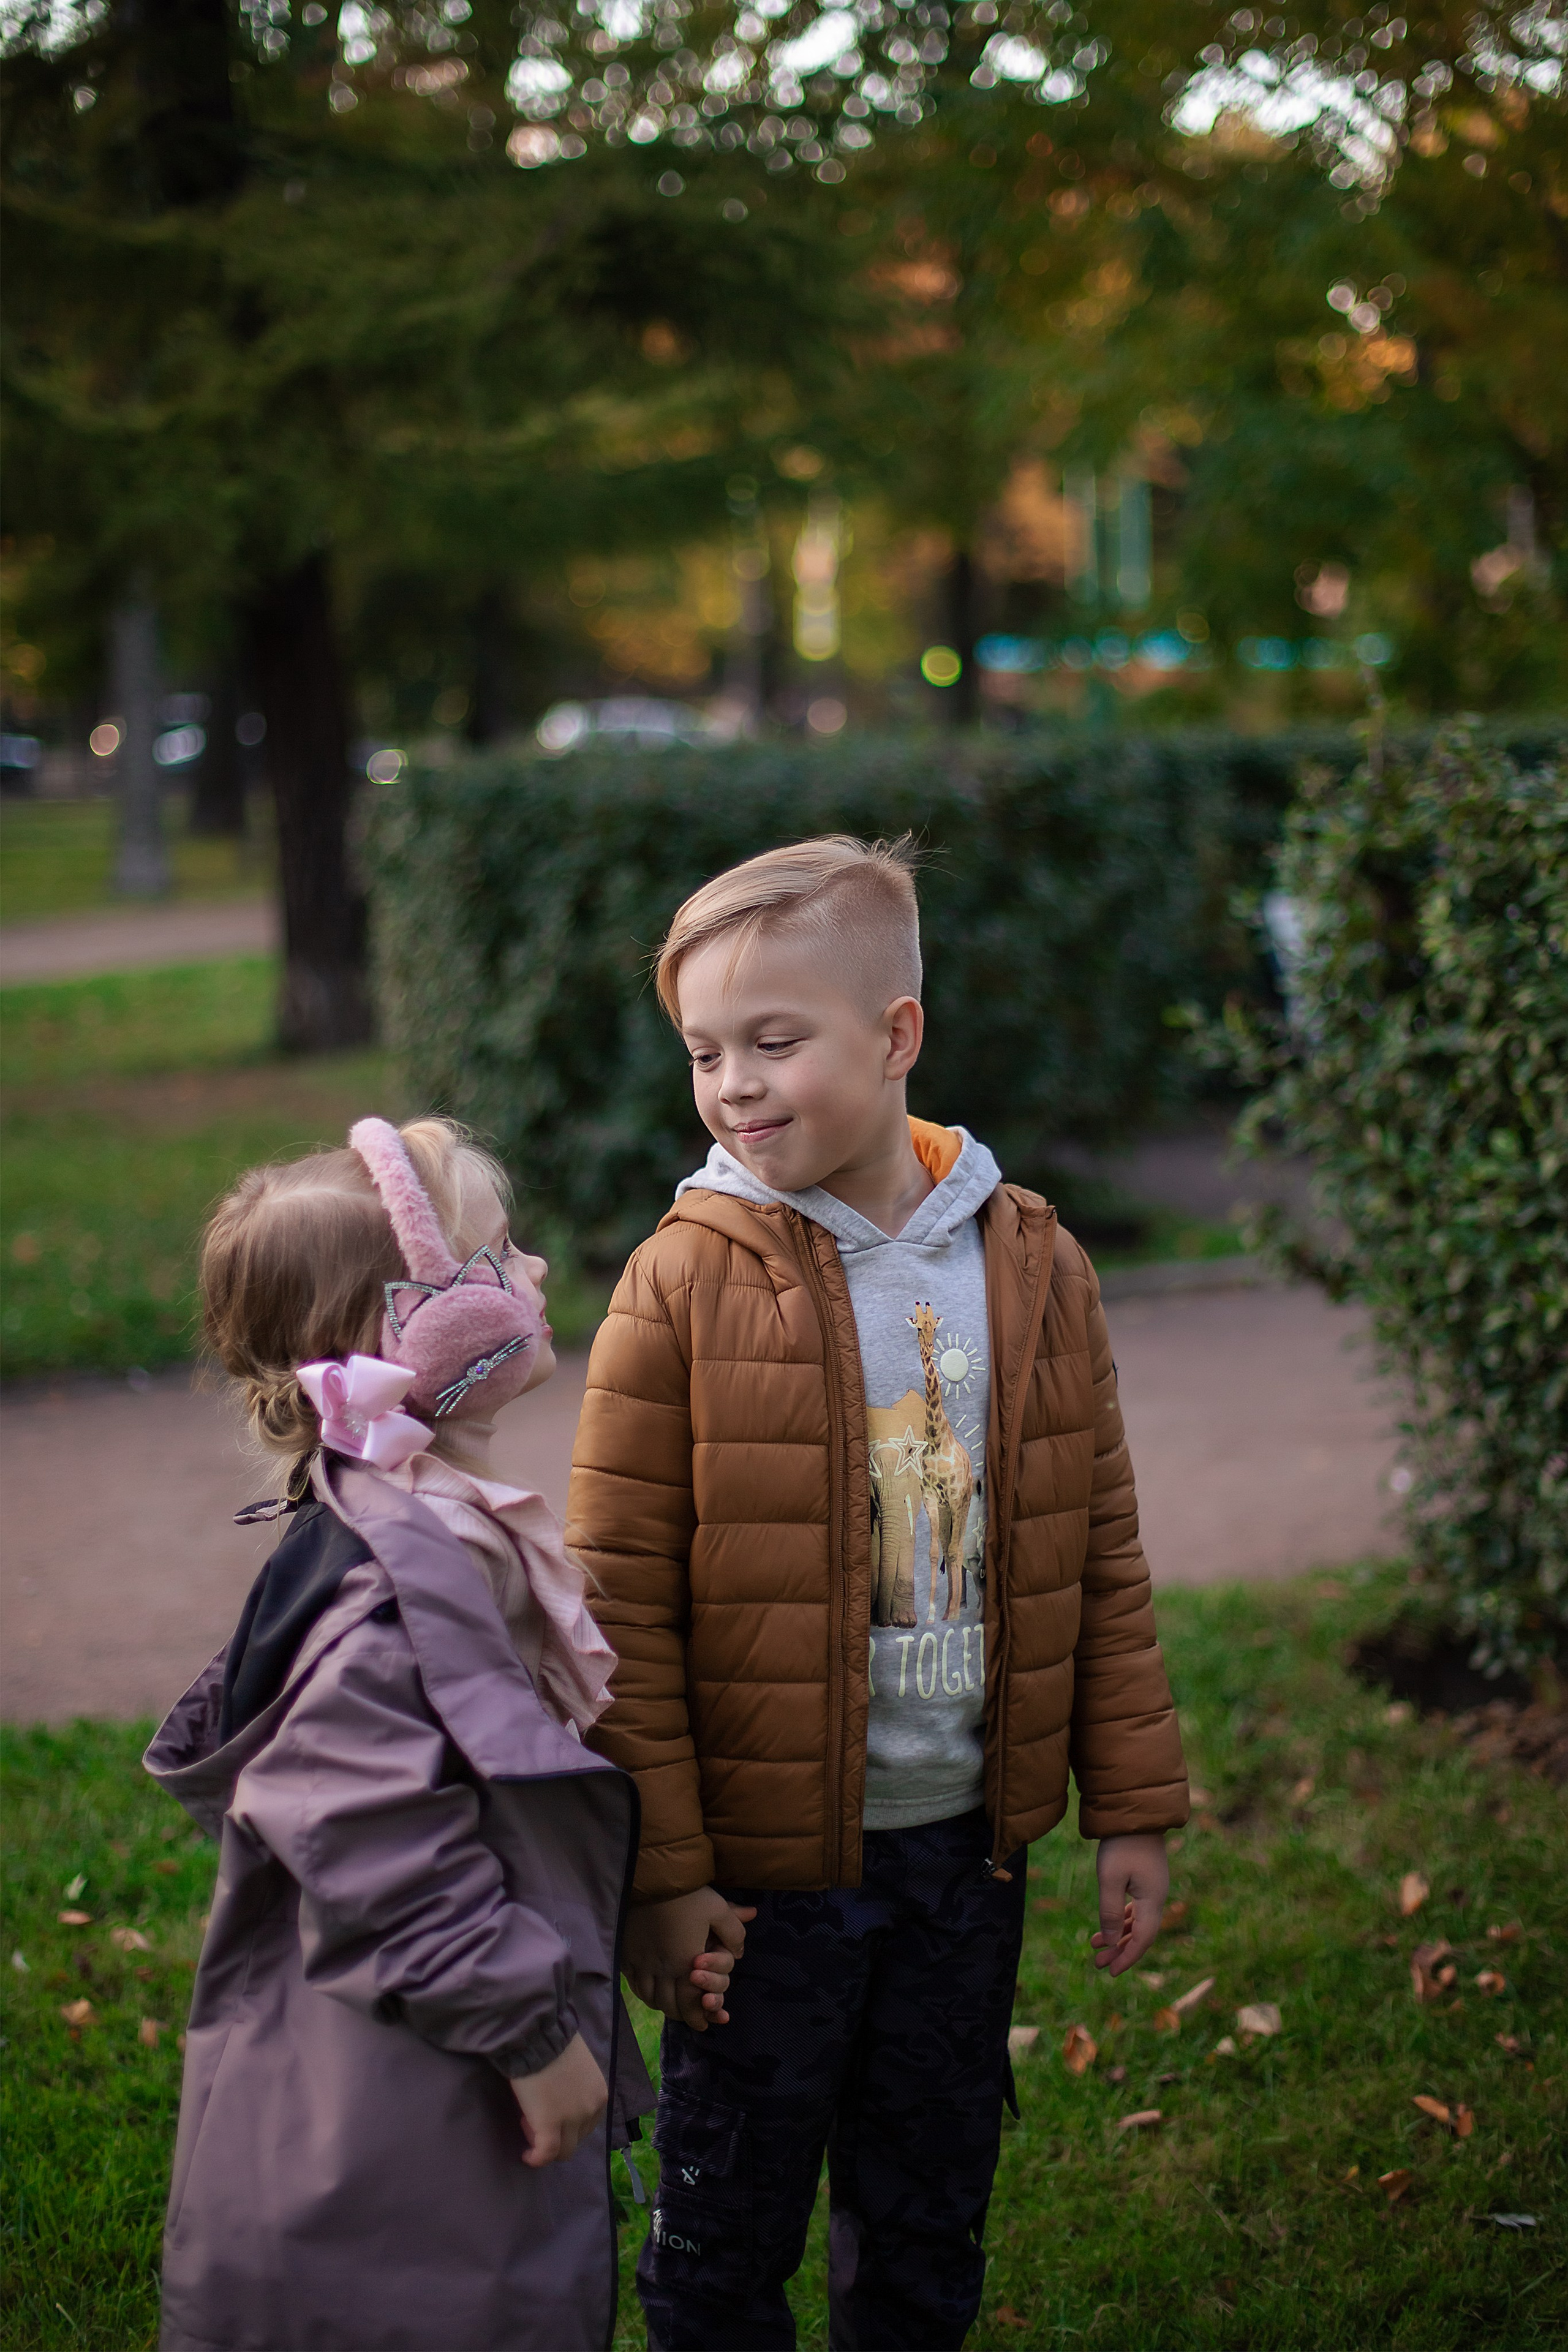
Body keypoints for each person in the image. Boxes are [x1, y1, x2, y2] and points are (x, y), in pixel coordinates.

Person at [568, 837, 1191, 2351]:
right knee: (724, 2235)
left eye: (774, 1043)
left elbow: (1095, 1545)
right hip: (760, 1882)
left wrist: (1132, 1805)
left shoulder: (1030, 1261)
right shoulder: (682, 1279)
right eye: (705, 1052)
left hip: (963, 1860)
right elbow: (613, 1603)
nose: (733, 1085)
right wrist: (661, 1871)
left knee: (925, 2214)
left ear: (895, 1035)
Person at [145, 1115, 728, 2352]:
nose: (529, 1278)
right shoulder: (406, 1571)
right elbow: (363, 1824)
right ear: (409, 1334)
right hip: (407, 2111)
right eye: (498, 1258)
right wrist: (531, 2036)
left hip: (435, 2057)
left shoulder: (424, 1520)